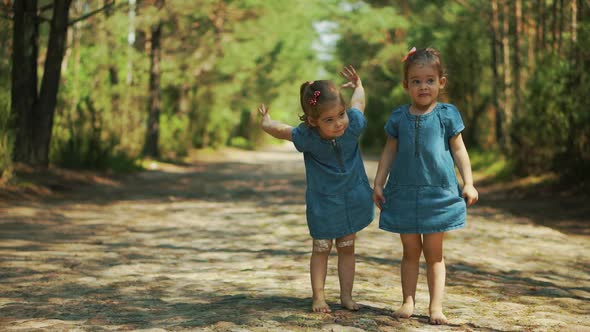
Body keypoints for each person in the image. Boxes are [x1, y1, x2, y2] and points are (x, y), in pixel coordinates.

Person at [372, 47, 479, 325]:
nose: (423, 86)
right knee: (409, 252)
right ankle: (407, 300)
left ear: (441, 82)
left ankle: (436, 308)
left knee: (434, 254)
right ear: (406, 84)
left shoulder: (447, 114)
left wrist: (468, 183)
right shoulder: (398, 117)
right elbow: (389, 152)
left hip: (438, 195)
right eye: (416, 81)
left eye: (430, 80)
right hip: (404, 194)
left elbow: (459, 151)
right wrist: (379, 182)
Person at [258, 65, 375, 313]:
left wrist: (359, 86)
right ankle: (319, 297)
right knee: (321, 249)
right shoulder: (308, 137)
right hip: (324, 204)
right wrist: (267, 123)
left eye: (340, 115)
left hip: (352, 199)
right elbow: (282, 131)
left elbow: (359, 104)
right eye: (329, 120)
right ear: (313, 121)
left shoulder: (352, 125)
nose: (338, 123)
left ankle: (346, 296)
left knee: (347, 248)